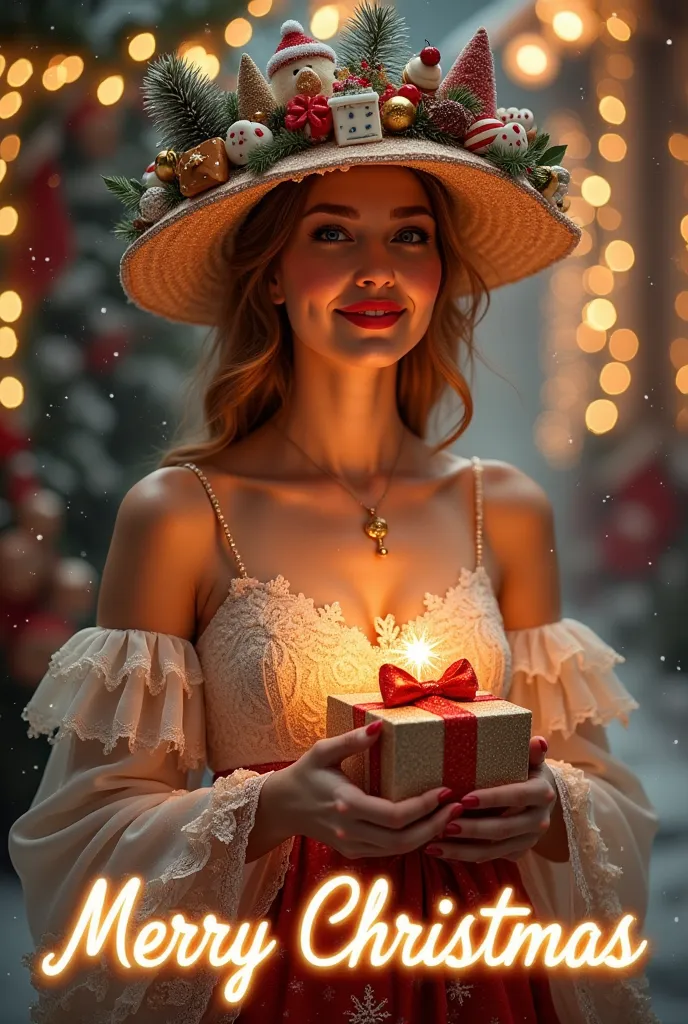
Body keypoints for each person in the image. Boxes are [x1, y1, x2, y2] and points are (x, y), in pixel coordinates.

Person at [9, 8, 659, 1024]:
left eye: (411, 235)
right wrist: (271, 804)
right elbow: (88, 831)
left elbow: (600, 790)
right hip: (275, 978)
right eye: (331, 234)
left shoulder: (505, 511)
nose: (378, 271)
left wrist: (548, 811)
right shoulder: (182, 514)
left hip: (485, 973)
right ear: (268, 270)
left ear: (442, 270)